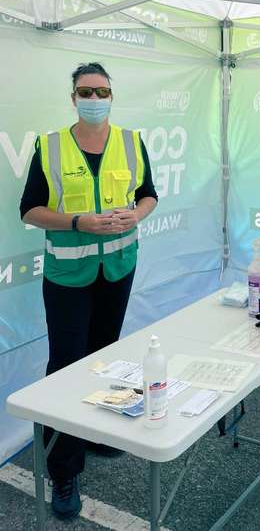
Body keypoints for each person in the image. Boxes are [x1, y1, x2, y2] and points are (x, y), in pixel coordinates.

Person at [20, 62, 158, 520]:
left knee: (104, 356)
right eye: (86, 91)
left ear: (112, 95)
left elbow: (148, 194)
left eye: (102, 91)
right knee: (65, 364)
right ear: (72, 96)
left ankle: (96, 433)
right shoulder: (51, 145)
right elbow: (30, 211)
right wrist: (78, 222)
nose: (94, 98)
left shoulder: (131, 141)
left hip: (117, 267)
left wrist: (137, 215)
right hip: (68, 276)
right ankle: (63, 468)